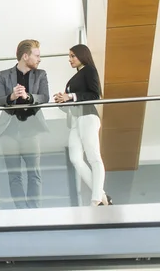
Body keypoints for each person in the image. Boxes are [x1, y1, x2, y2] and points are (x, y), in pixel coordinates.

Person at [53, 44, 112, 206]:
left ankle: (96, 199)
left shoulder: (89, 70)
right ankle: (102, 196)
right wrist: (61, 100)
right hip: (76, 120)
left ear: (82, 56)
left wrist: (70, 96)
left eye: (73, 56)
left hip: (88, 117)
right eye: (69, 56)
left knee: (93, 157)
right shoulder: (73, 79)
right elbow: (72, 104)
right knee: (76, 159)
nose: (70, 59)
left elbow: (94, 95)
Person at [0, 39, 50, 209]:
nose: (39, 59)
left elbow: (45, 97)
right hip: (8, 131)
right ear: (25, 56)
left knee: (34, 172)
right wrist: (11, 97)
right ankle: (21, 210)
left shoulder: (41, 74)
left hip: (30, 130)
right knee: (14, 175)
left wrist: (29, 97)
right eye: (37, 55)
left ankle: (33, 209)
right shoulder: (4, 75)